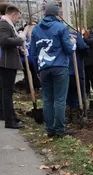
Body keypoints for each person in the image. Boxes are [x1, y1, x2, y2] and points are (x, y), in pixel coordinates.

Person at [31, 1, 76, 137]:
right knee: (60, 99)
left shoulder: (36, 29)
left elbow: (33, 53)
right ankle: (60, 130)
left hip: (44, 68)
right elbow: (68, 49)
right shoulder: (60, 28)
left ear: (45, 12)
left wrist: (37, 70)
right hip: (60, 67)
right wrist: (73, 44)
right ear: (57, 13)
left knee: (47, 99)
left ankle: (49, 129)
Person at [0, 5, 25, 128]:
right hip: (6, 63)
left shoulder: (8, 24)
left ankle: (11, 116)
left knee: (7, 92)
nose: (17, 20)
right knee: (7, 92)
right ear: (13, 14)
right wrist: (20, 39)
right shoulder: (4, 24)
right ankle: (9, 121)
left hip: (9, 62)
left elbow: (10, 43)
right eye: (17, 17)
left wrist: (20, 52)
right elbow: (4, 41)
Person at [66, 29, 88, 124]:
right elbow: (83, 47)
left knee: (65, 93)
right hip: (75, 70)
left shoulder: (59, 36)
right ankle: (75, 115)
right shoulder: (75, 36)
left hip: (64, 70)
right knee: (76, 92)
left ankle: (66, 115)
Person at [20, 23, 41, 92]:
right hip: (27, 58)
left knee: (32, 73)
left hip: (29, 58)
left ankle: (34, 87)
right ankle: (31, 88)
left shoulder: (26, 35)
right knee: (29, 73)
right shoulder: (25, 35)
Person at [82, 27, 93, 99]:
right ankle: (87, 93)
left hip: (91, 62)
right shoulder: (81, 37)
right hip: (84, 62)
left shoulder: (91, 36)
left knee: (92, 79)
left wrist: (84, 39)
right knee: (86, 79)